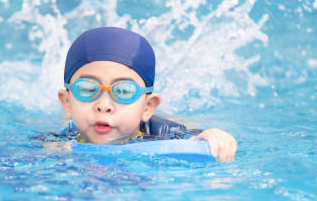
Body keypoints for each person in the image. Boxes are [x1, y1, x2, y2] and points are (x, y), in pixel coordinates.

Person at [55, 26, 237, 162]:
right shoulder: (60, 140)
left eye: (124, 91)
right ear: (67, 103)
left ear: (147, 107)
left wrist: (214, 137)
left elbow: (203, 138)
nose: (104, 105)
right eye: (88, 89)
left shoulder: (168, 134)